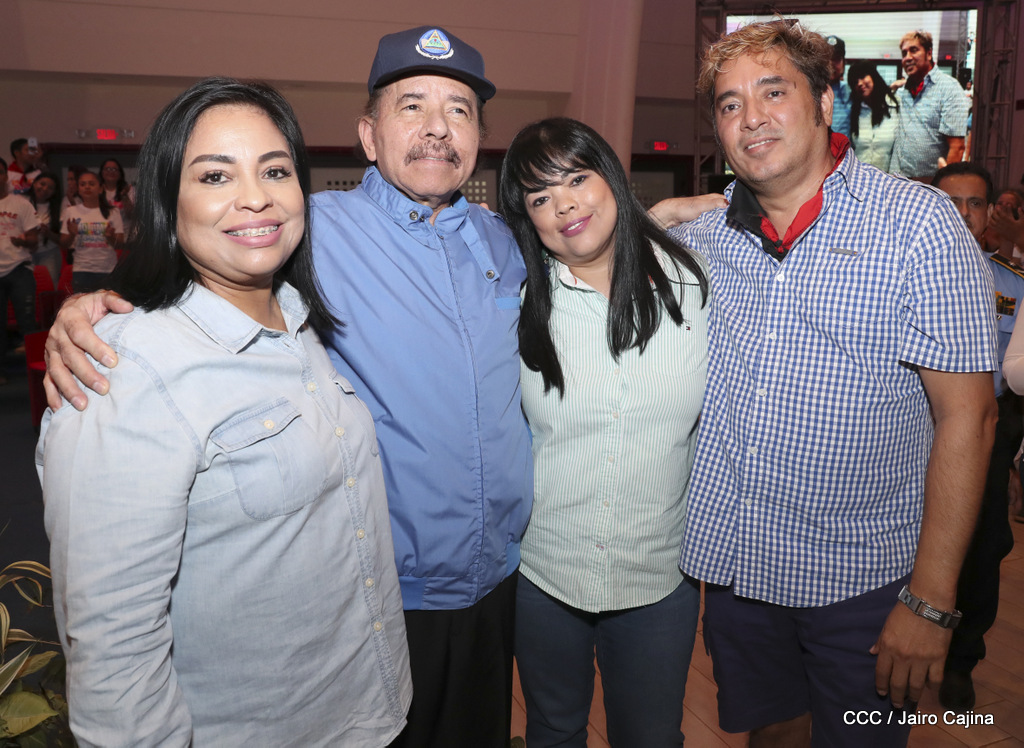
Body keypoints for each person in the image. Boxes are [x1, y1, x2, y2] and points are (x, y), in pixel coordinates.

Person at [43, 25, 530, 748]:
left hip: (499, 577)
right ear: (368, 136)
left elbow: (585, 235)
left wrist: (674, 214)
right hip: (392, 590)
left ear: (480, 137)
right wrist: (88, 310)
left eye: (458, 110)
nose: (437, 127)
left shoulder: (500, 240)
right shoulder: (312, 229)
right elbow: (192, 267)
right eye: (412, 107)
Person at [36, 76, 412, 747]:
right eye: (215, 175)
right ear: (167, 201)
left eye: (275, 170)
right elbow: (113, 649)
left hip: (361, 710)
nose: (255, 196)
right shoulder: (125, 369)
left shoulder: (303, 325)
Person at [652, 19, 997, 747]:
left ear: (821, 102)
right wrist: (659, 215)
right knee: (772, 737)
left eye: (773, 92)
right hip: (740, 571)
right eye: (730, 104)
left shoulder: (918, 226)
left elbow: (969, 418)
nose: (751, 117)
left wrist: (931, 600)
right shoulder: (703, 240)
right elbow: (575, 250)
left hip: (863, 583)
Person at [498, 117, 718, 747]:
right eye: (540, 197)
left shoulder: (697, 283)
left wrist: (656, 219)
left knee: (651, 737)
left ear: (611, 177)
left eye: (577, 179)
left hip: (659, 576)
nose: (564, 204)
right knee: (553, 731)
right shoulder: (515, 298)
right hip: (545, 574)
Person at [932, 162, 1023, 712]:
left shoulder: (1012, 286)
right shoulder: (898, 273)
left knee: (983, 546)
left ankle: (960, 661)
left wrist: (1011, 457)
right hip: (910, 427)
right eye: (951, 202)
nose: (963, 214)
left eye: (974, 203)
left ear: (989, 213)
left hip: (985, 434)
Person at [891, 30, 969, 179]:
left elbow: (957, 147)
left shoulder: (949, 88)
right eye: (904, 53)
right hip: (897, 181)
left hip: (929, 183)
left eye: (914, 50)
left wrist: (944, 185)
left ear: (929, 53)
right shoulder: (903, 91)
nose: (907, 58)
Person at [0, 156, 41, 384]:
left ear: (6, 176)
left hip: (19, 269)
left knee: (27, 323)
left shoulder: (21, 204)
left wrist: (23, 241)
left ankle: (36, 374)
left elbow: (34, 242)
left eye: (0, 172)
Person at [59, 169, 124, 292]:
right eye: (83, 184)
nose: (87, 187)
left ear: (100, 189)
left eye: (91, 184)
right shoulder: (71, 211)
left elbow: (120, 243)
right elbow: (63, 244)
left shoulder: (113, 212)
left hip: (107, 269)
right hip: (82, 269)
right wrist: (72, 234)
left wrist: (110, 237)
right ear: (78, 189)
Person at [848, 61, 899, 171]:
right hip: (860, 176)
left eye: (862, 77)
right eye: (855, 82)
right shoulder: (855, 111)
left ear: (873, 76)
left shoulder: (893, 106)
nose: (859, 84)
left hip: (887, 176)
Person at [28, 171, 64, 285]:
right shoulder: (23, 203)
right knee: (26, 287)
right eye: (42, 184)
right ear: (34, 183)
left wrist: (48, 233)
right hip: (25, 253)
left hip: (49, 253)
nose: (44, 189)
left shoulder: (58, 207)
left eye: (50, 188)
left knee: (49, 286)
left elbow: (63, 240)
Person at [826, 35, 852, 138]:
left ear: (843, 63)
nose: (831, 63)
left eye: (836, 59)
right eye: (827, 58)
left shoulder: (851, 91)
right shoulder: (811, 91)